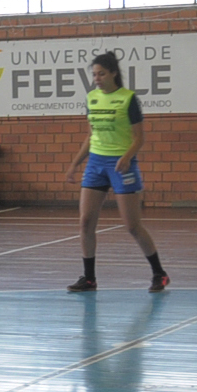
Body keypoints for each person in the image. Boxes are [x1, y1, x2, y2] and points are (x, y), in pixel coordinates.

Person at [66, 52, 168, 293]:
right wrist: (75, 164)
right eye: (94, 74)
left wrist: (126, 156)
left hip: (122, 164)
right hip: (96, 164)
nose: (97, 78)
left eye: (101, 73)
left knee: (132, 225)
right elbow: (90, 136)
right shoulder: (91, 98)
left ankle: (159, 273)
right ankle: (89, 278)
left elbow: (139, 138)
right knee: (85, 222)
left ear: (113, 73)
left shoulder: (128, 99)